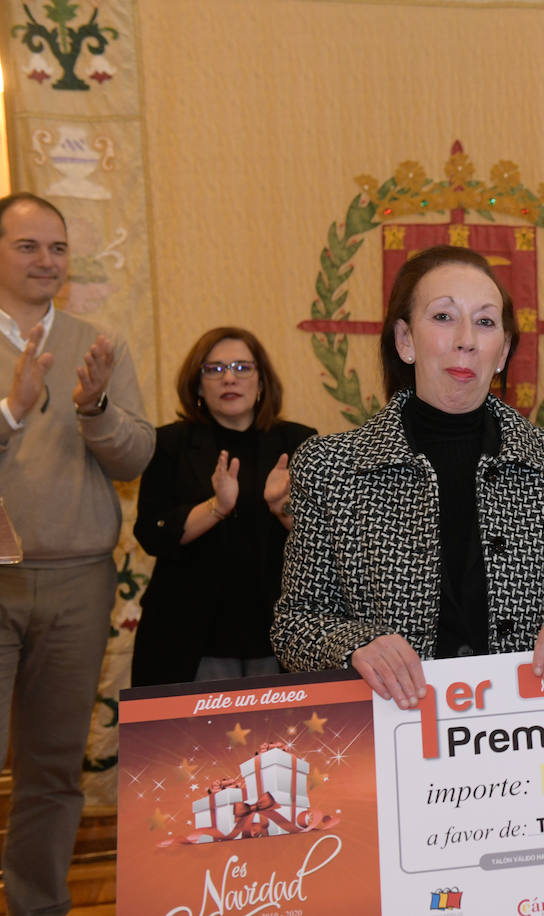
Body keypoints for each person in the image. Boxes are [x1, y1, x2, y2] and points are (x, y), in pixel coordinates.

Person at [272, 246, 544, 706]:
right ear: (405, 340)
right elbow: (296, 624)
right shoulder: (329, 465)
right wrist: (355, 642)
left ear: (503, 351)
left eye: (485, 321)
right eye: (442, 317)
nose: (465, 340)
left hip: (528, 725)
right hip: (395, 731)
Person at [0, 192, 154, 914]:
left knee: (52, 768)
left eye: (57, 248)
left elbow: (136, 459)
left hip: (79, 583)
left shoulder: (99, 343)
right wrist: (11, 411)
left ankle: (38, 905)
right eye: (28, 246)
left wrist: (94, 410)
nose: (47, 261)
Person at [131, 327, 317, 686]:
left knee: (283, 741)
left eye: (242, 367)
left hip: (278, 630)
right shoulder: (169, 443)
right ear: (198, 386)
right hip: (190, 634)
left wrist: (283, 509)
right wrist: (216, 507)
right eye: (214, 369)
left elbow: (326, 539)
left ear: (261, 381)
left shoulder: (298, 441)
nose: (229, 377)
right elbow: (151, 534)